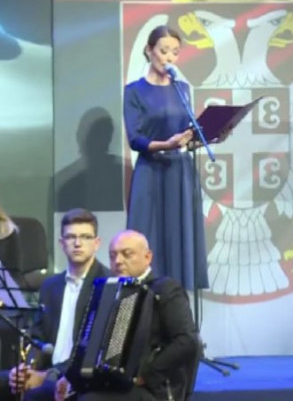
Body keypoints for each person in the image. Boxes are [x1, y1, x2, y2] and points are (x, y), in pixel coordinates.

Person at [55, 230, 199, 401]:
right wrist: (70, 377)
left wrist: (145, 374)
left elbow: (187, 341)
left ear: (147, 257)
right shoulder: (106, 292)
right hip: (108, 384)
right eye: (112, 256)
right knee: (42, 393)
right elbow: (88, 345)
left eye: (127, 254)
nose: (118, 261)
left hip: (152, 388)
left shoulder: (165, 289)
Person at [123, 25, 208, 291]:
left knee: (179, 236)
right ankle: (143, 299)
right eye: (163, 51)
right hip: (151, 170)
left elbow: (186, 131)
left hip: (180, 171)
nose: (169, 58)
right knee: (149, 234)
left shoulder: (182, 89)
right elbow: (136, 139)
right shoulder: (134, 91)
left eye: (175, 52)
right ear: (149, 50)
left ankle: (177, 299)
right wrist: (165, 144)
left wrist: (204, 136)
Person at [0, 208, 110, 401]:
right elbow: (38, 336)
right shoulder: (50, 286)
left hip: (81, 377)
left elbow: (95, 349)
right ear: (61, 244)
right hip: (48, 370)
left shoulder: (108, 284)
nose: (77, 243)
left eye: (85, 237)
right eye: (71, 237)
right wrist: (27, 369)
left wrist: (47, 376)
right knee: (9, 382)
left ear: (96, 243)